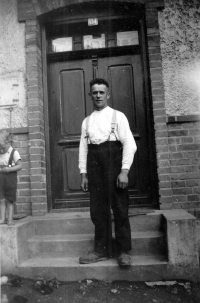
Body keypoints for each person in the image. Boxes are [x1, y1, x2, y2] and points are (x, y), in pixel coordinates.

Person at [78, 78, 137, 266]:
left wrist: (124, 171)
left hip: (114, 164)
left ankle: (123, 251)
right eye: (94, 92)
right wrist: (83, 174)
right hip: (95, 166)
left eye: (101, 92)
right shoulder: (86, 122)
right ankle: (101, 250)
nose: (98, 95)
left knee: (119, 208)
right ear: (90, 95)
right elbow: (83, 149)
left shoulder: (118, 116)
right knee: (98, 209)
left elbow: (130, 144)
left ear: (108, 95)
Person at [0, 130, 22, 226]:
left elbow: (20, 166)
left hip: (10, 178)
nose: (1, 150)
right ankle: (2, 218)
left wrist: (9, 169)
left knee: (10, 199)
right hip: (0, 178)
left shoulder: (14, 152)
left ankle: (10, 219)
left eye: (2, 148)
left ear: (8, 142)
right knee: (1, 199)